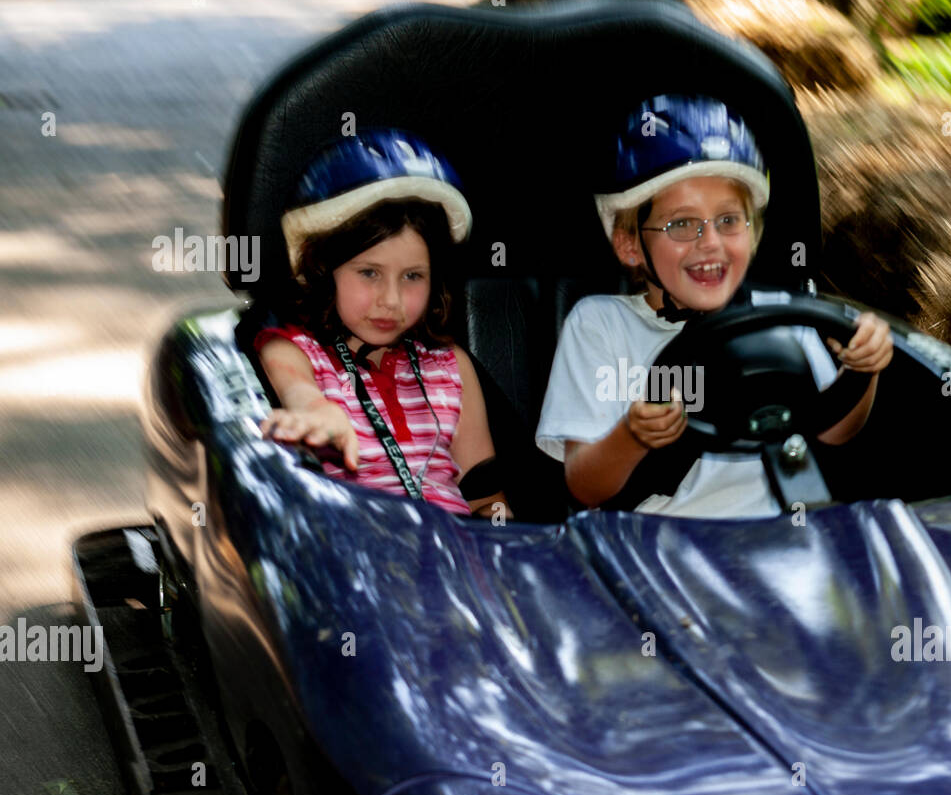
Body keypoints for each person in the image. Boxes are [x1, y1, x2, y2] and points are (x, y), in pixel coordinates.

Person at [536, 95, 892, 517]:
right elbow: (584, 486)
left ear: (753, 234)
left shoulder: (780, 315)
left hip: (774, 530)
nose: (711, 242)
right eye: (682, 224)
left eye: (728, 221)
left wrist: (862, 370)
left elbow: (834, 432)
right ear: (630, 245)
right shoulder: (600, 325)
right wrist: (633, 437)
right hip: (651, 542)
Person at [256, 128, 509, 518]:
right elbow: (296, 387)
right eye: (369, 273)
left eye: (412, 276)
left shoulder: (451, 365)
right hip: (360, 560)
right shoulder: (297, 350)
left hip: (458, 561)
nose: (390, 300)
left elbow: (485, 496)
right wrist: (318, 412)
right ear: (324, 269)